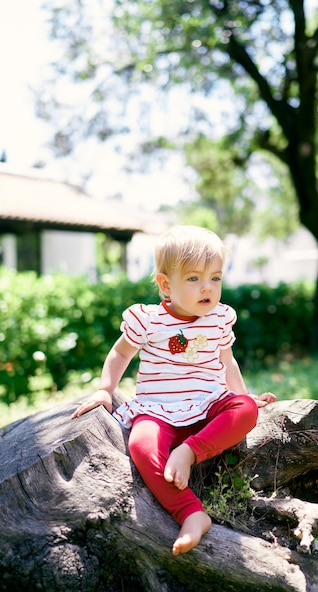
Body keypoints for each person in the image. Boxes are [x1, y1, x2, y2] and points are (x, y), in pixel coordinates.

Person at [72, 225, 276, 555]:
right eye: (194, 279)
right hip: (159, 408)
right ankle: (190, 512)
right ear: (166, 284)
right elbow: (121, 352)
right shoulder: (148, 320)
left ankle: (190, 451)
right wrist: (105, 390)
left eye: (215, 278)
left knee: (245, 409)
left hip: (209, 404)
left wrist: (244, 395)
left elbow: (227, 361)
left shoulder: (221, 317)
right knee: (141, 445)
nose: (207, 287)